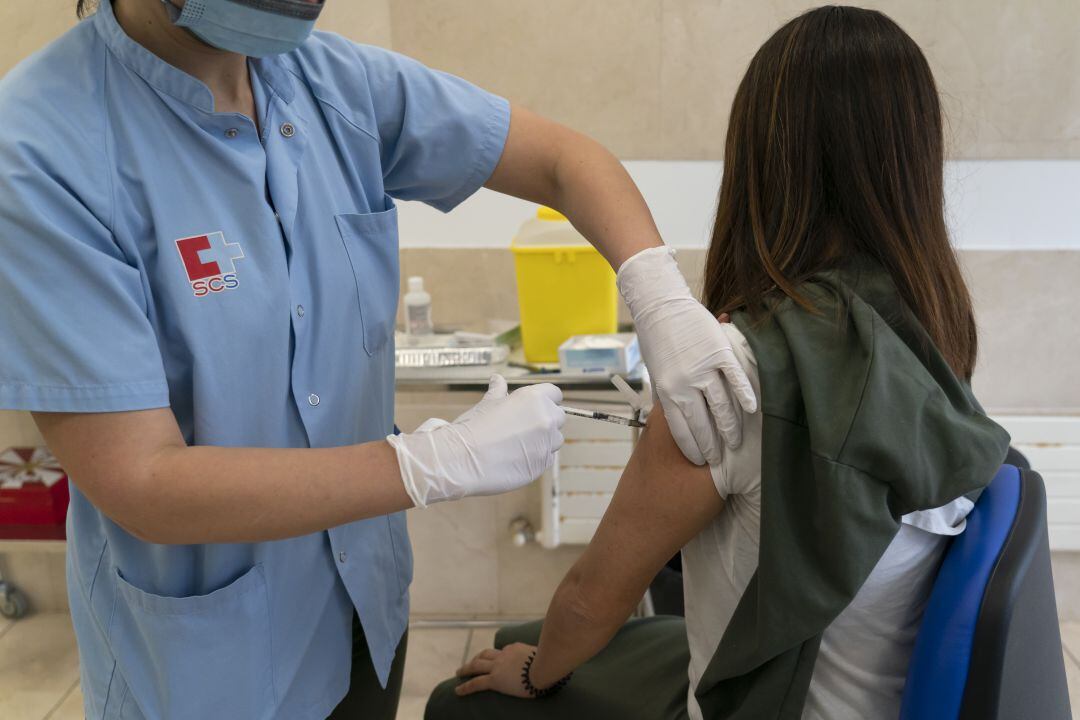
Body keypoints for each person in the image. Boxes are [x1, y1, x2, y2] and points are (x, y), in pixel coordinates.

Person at [0, 1, 757, 718]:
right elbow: (141, 480)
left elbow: (564, 162)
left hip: (363, 607)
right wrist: (430, 463)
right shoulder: (41, 150)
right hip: (209, 661)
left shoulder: (331, 84)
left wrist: (657, 295)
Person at [427, 7, 1011, 720]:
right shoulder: (936, 327)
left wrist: (533, 675)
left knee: (467, 693)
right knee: (539, 638)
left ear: (762, 164)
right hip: (868, 684)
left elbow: (589, 598)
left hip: (775, 702)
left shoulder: (734, 378)